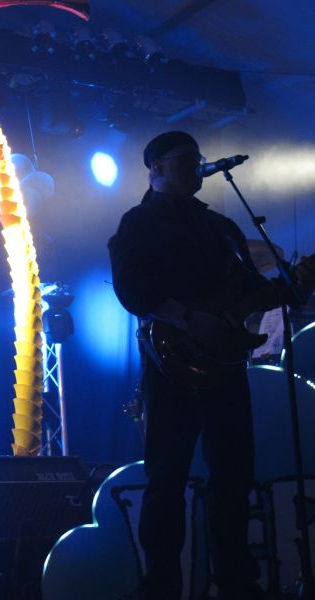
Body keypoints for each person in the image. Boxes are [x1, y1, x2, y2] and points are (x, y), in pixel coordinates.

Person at [108, 131, 284, 600]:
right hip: (171, 364)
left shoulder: (221, 226)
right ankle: (161, 586)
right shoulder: (139, 222)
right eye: (185, 159)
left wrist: (291, 284)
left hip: (225, 362)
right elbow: (131, 289)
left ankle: (236, 583)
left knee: (234, 474)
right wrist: (189, 319)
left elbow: (251, 289)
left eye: (198, 158)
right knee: (167, 476)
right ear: (156, 167)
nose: (197, 166)